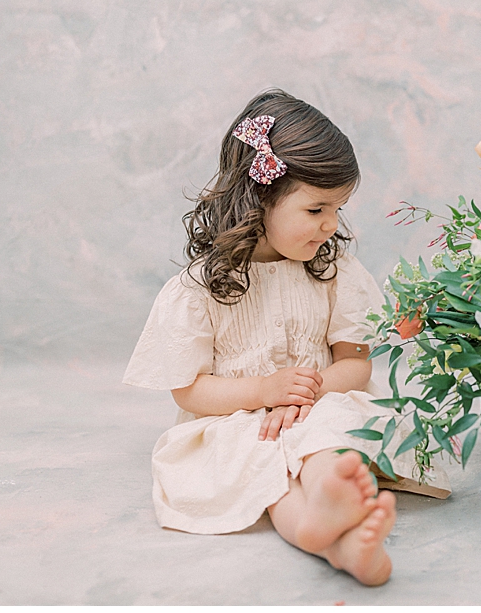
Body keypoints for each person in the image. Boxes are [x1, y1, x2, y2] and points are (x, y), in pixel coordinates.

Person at [123, 89, 449, 586]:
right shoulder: (200, 288)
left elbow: (355, 364)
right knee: (258, 463)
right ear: (260, 199)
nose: (332, 225)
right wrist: (263, 392)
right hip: (235, 418)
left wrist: (307, 393)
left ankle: (332, 502)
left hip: (318, 401)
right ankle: (326, 534)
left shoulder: (334, 271)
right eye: (317, 209)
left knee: (333, 430)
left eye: (338, 209)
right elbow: (188, 389)